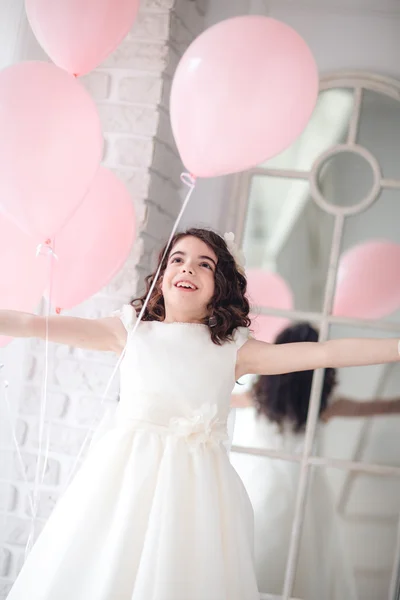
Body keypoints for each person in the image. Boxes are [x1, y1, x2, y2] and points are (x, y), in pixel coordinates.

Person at [1, 228, 400, 600]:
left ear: (219, 286)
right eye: (177, 259)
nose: (188, 266)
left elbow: (325, 354)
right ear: (161, 277)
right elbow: (32, 324)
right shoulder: (130, 331)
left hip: (198, 491)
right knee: (107, 565)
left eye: (204, 263)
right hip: (125, 478)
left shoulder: (233, 350)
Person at [230, 322, 400, 600]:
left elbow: (215, 398)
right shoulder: (325, 405)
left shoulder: (258, 397)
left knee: (261, 551)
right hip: (306, 491)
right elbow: (383, 407)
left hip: (265, 485)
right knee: (309, 560)